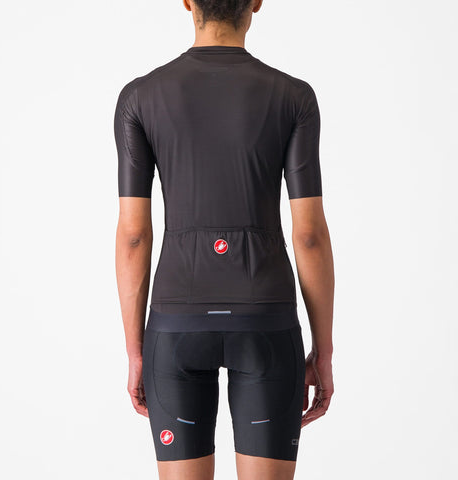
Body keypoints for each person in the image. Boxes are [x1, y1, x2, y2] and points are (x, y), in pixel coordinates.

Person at [114, 1, 334, 479]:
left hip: (175, 326)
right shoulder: (294, 97)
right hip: (266, 322)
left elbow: (133, 235)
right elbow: (310, 236)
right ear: (256, 2)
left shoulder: (140, 97)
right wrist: (324, 350)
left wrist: (135, 351)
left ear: (187, 2)